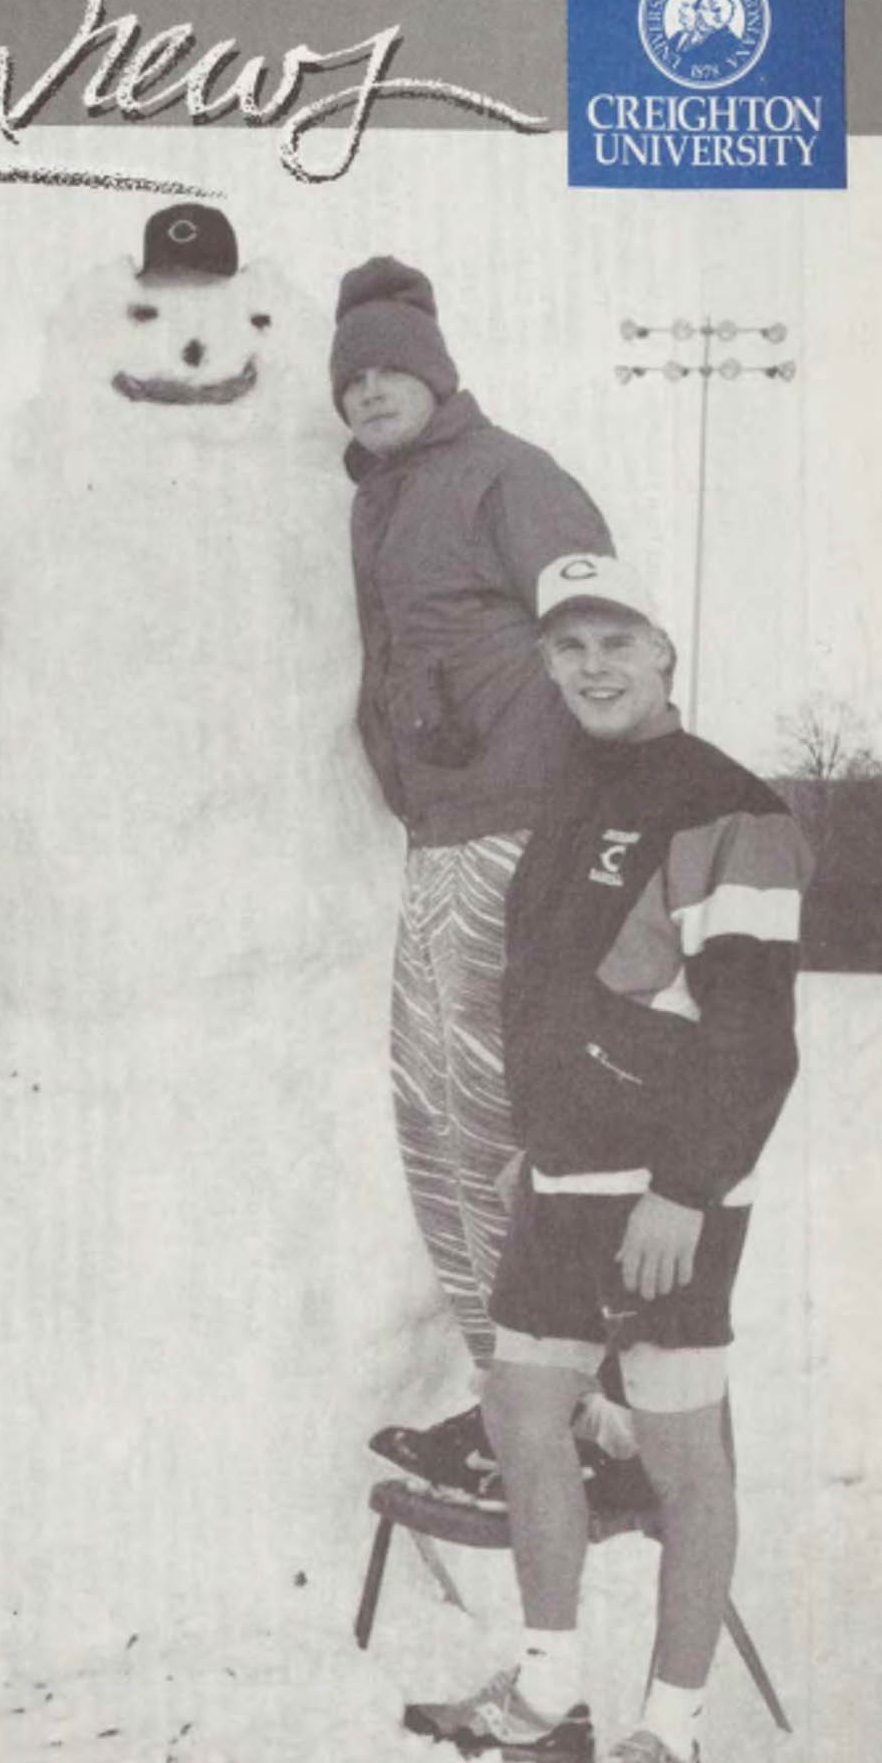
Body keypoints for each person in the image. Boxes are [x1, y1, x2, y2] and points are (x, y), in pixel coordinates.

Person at [402, 554, 812, 1763]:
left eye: (615, 641)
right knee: (525, 1412)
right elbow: (556, 999)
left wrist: (684, 1191)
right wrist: (538, 1142)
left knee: (686, 1465)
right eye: (569, 644)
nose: (591, 666)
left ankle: (668, 1741)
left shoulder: (723, 805)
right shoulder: (574, 796)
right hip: (566, 1182)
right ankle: (547, 1690)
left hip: (664, 1201)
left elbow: (753, 1035)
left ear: (663, 654)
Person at [330, 257, 632, 1502]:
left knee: (510, 1130)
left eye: (390, 367)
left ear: (437, 374)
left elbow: (601, 627)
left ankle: (587, 1420)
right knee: (439, 1129)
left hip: (529, 830)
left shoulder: (510, 473)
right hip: (443, 836)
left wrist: (617, 819)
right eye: (348, 378)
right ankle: (516, 1407)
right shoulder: (379, 502)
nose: (367, 391)